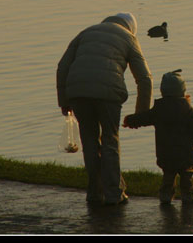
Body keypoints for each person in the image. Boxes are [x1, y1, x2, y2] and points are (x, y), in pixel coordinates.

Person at [56, 12, 152, 205]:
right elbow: (144, 79)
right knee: (110, 139)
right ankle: (113, 193)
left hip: (78, 92)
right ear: (131, 27)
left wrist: (64, 101)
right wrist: (141, 114)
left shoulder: (85, 33)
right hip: (108, 94)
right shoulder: (129, 38)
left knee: (89, 141)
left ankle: (94, 192)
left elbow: (62, 67)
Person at [123, 69, 193, 205]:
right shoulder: (188, 111)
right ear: (183, 91)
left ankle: (165, 196)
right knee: (186, 177)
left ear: (163, 91)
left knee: (168, 176)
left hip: (166, 154)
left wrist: (130, 120)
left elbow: (143, 118)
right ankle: (188, 196)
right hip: (186, 155)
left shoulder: (159, 110)